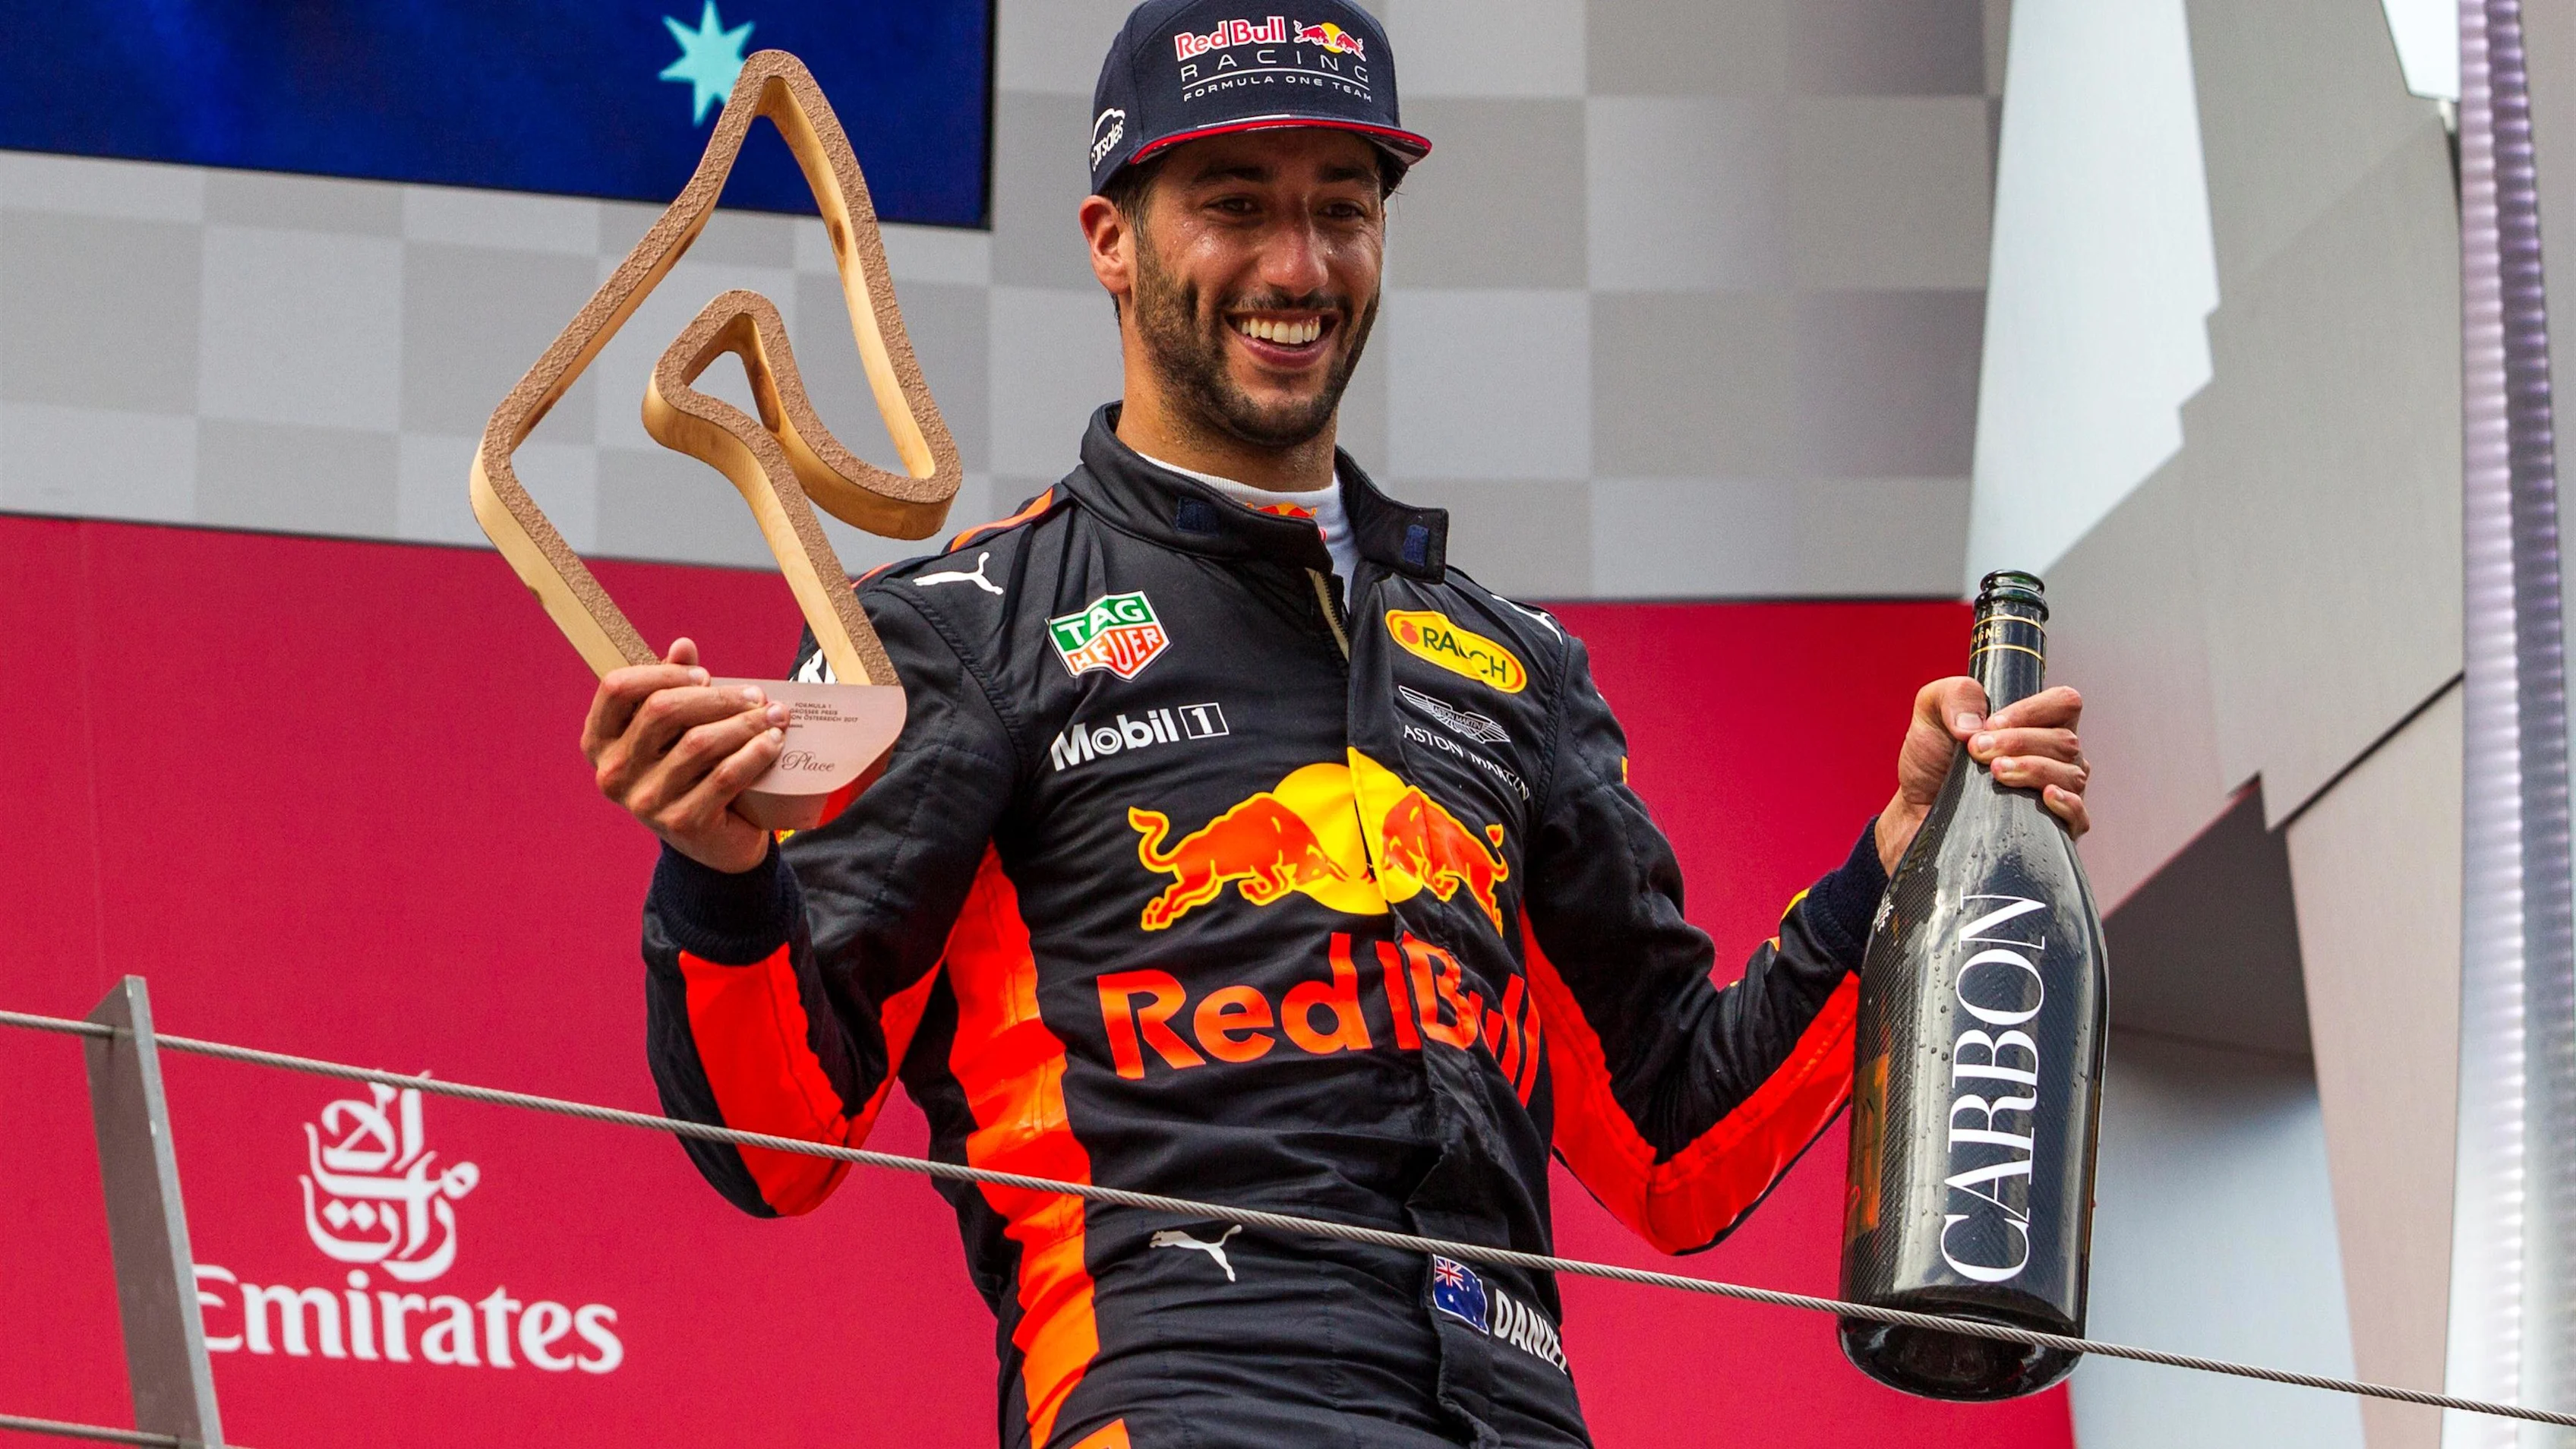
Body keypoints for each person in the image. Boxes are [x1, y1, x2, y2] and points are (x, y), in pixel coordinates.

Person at [578, 2, 2091, 1444]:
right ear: (1112, 239)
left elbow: (1678, 1146)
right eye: (1234, 206)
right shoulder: (959, 631)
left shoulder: (1515, 665)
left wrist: (1904, 859)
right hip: (1181, 1390)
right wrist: (719, 870)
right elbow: (775, 1142)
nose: (1296, 264)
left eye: (1341, 209)